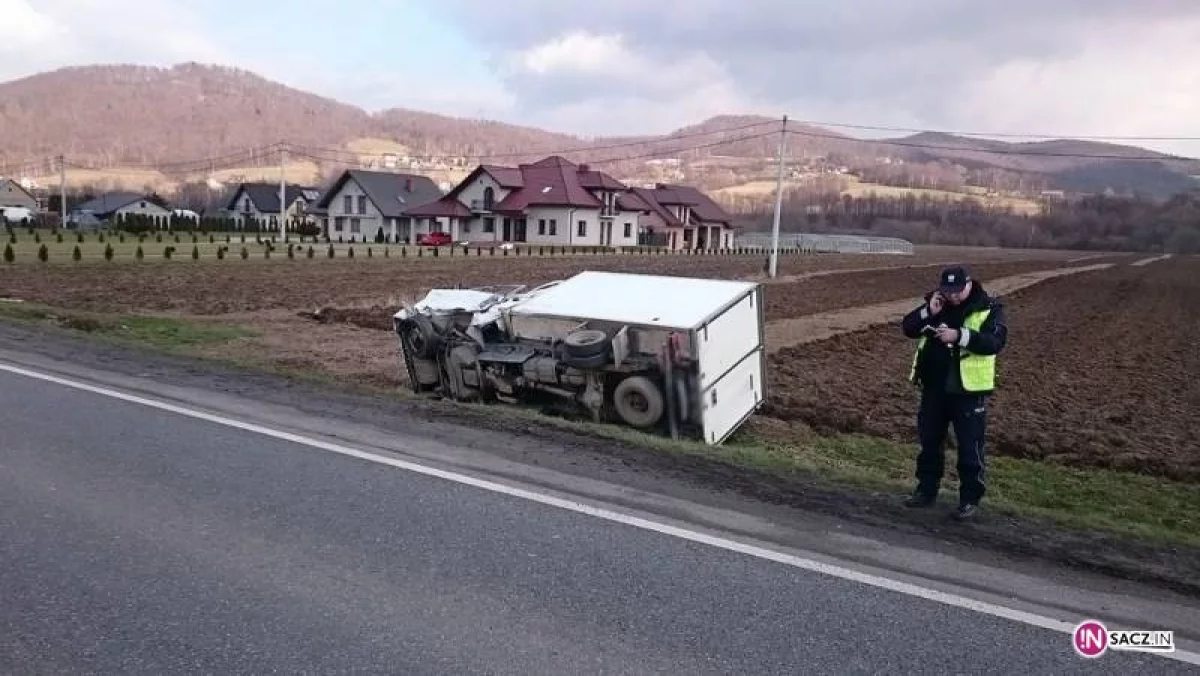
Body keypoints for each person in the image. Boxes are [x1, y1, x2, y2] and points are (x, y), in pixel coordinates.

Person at [900, 265, 1008, 520]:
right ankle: (926, 491)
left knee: (970, 448)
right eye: (948, 291)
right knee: (929, 444)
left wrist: (959, 336)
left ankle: (970, 499)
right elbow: (908, 328)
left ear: (969, 284)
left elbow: (994, 342)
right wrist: (929, 312)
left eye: (957, 291)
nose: (953, 296)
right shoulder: (937, 304)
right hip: (934, 388)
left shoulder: (988, 308)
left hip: (967, 391)